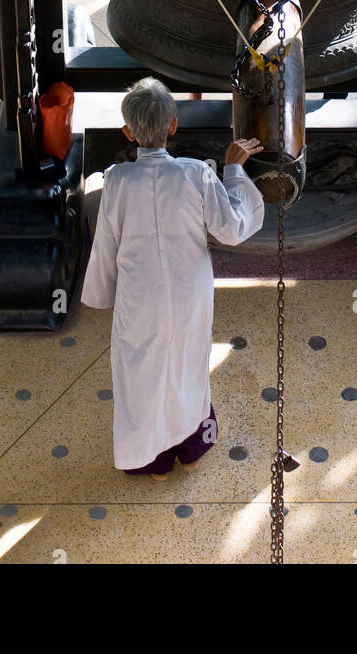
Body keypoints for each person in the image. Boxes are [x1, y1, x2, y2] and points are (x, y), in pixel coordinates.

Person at [80, 76, 265, 478]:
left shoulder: (116, 179)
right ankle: (190, 448)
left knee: (140, 370)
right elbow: (232, 227)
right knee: (187, 361)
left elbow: (107, 241)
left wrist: (102, 293)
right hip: (188, 291)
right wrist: (234, 170)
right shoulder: (196, 173)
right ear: (174, 125)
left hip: (138, 295)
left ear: (128, 132)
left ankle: (155, 461)